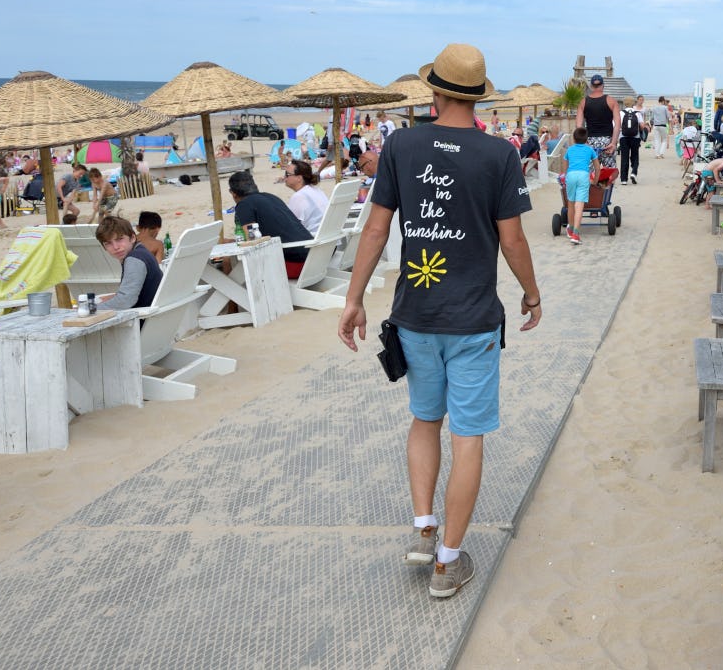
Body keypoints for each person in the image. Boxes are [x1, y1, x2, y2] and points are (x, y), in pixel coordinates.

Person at [338, 43, 541, 602]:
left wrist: (354, 299)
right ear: (478, 95)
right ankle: (448, 563)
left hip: (416, 316)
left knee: (425, 420)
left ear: (434, 89)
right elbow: (512, 239)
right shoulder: (499, 154)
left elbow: (375, 229)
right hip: (473, 320)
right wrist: (531, 293)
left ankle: (424, 528)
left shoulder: (401, 144)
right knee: (467, 436)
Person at [227, 170, 313, 279]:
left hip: (294, 264)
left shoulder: (244, 205)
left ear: (233, 193)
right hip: (312, 257)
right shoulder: (271, 197)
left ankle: (230, 289)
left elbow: (251, 241)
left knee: (231, 261)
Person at [95, 215, 163, 309]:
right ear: (104, 247)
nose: (116, 247)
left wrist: (91, 310)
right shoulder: (141, 252)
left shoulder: (134, 260)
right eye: (108, 243)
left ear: (132, 238)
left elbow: (126, 301)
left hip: (143, 315)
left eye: (119, 239)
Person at [562, 127, 599, 245]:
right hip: (583, 176)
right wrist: (595, 180)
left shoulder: (570, 150)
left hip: (571, 176)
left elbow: (565, 166)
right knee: (579, 205)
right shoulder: (590, 150)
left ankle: (570, 228)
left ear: (574, 139)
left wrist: (565, 177)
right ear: (587, 139)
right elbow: (597, 167)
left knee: (570, 204)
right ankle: (576, 234)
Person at [576, 74, 620, 172]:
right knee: (609, 174)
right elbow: (617, 125)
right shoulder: (611, 101)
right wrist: (613, 143)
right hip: (607, 141)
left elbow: (579, 126)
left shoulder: (583, 102)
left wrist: (584, 142)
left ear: (591, 86)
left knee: (590, 173)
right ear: (603, 85)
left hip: (590, 141)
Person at [282, 159, 330, 234]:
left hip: (314, 238)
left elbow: (291, 226)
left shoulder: (299, 196)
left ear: (299, 178)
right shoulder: (316, 190)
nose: (284, 177)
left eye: (287, 174)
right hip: (328, 236)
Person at [617, 96, 642, 184]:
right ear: (633, 103)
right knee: (635, 156)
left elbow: (616, 125)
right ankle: (634, 172)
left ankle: (624, 179)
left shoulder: (621, 113)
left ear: (624, 103)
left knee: (624, 157)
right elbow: (642, 126)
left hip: (623, 137)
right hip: (635, 137)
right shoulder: (637, 113)